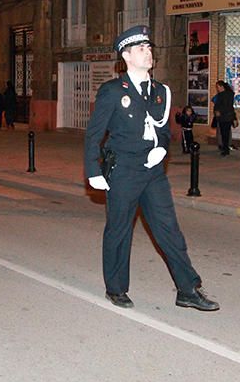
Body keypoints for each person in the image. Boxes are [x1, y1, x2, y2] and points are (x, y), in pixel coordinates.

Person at [84, 25, 219, 312]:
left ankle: (187, 289)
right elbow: (94, 134)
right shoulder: (112, 91)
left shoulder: (160, 92)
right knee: (119, 230)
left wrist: (162, 150)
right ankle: (116, 287)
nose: (149, 53)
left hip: (153, 172)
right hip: (123, 171)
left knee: (169, 229)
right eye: (142, 49)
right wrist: (93, 171)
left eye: (149, 48)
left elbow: (164, 131)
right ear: (127, 56)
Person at [213, 81, 238, 156]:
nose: (217, 89)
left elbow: (227, 106)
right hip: (226, 116)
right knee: (225, 133)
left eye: (217, 87)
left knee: (225, 133)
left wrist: (218, 111)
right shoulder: (228, 94)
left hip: (224, 116)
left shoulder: (224, 95)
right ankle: (225, 148)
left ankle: (225, 149)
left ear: (221, 86)